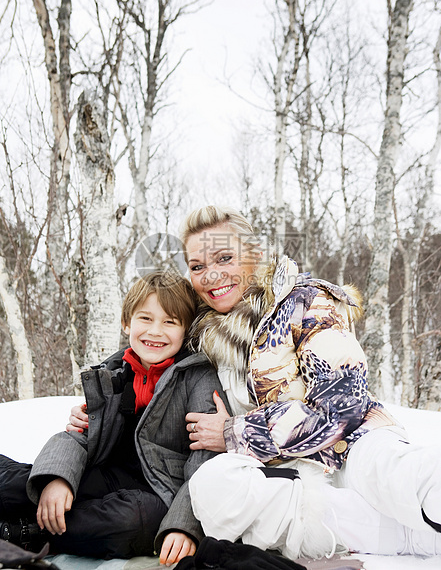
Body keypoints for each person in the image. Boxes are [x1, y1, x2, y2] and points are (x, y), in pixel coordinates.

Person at [69, 206, 441, 561]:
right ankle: (404, 536)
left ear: (255, 254)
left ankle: (423, 506)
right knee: (212, 486)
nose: (211, 275)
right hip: (284, 476)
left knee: (392, 468)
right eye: (197, 266)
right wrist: (99, 404)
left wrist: (236, 431)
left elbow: (343, 409)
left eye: (224, 259)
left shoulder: (305, 301)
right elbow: (146, 351)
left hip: (352, 445)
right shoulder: (202, 329)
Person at [0, 270, 230, 566]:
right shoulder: (114, 371)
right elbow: (79, 434)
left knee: (133, 521)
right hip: (106, 473)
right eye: (145, 319)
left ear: (186, 331)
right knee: (24, 484)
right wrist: (57, 478)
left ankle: (21, 532)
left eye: (170, 322)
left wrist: (184, 525)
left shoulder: (196, 377)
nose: (155, 331)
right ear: (127, 323)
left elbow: (204, 463)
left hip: (159, 491)